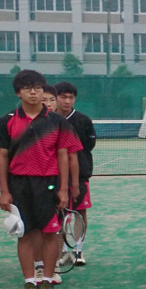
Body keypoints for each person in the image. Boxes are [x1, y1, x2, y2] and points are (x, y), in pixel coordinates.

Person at [0, 70, 83, 289]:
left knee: (50, 234)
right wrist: (4, 191)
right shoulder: (6, 121)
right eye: (28, 88)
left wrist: (64, 188)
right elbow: (2, 157)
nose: (34, 92)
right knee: (25, 234)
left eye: (38, 87)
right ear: (18, 92)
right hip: (19, 184)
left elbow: (63, 155)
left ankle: (47, 282)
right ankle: (30, 282)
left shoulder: (57, 121)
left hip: (49, 184)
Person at [52, 81, 96, 267]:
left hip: (80, 177)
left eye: (71, 97)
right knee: (57, 215)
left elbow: (89, 145)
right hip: (54, 177)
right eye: (63, 97)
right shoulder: (49, 120)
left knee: (80, 213)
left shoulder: (83, 120)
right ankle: (62, 252)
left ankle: (78, 250)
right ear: (56, 98)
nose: (67, 101)